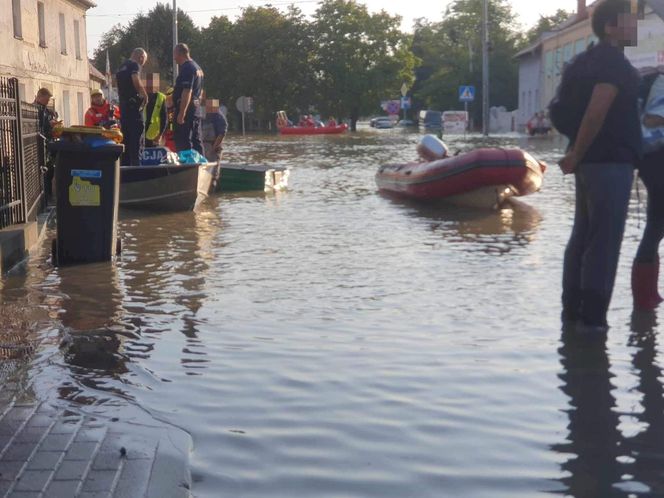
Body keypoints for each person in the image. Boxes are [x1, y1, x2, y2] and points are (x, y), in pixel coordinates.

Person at [558, 0, 641, 333]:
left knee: (582, 237)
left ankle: (572, 314)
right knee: (604, 243)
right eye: (630, 21)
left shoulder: (583, 60)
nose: (636, 27)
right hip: (608, 163)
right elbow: (596, 112)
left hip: (590, 164)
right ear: (611, 27)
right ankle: (593, 323)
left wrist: (577, 155)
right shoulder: (613, 64)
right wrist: (577, 153)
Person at [632, 68, 664, 309]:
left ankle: (649, 296)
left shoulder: (652, 80)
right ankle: (645, 297)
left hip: (649, 158)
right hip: (657, 156)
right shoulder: (660, 82)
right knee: (657, 224)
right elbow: (652, 119)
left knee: (656, 222)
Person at [116, 48, 148, 165]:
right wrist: (144, 95)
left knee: (126, 140)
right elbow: (135, 79)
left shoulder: (121, 67)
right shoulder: (135, 65)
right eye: (144, 60)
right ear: (141, 57)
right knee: (136, 140)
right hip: (134, 107)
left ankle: (124, 169)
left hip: (124, 108)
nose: (143, 63)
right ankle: (136, 168)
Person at [173, 43, 205, 155]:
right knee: (196, 139)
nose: (174, 58)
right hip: (195, 109)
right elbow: (200, 91)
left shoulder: (187, 68)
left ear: (180, 53)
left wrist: (182, 113)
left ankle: (187, 166)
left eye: (175, 54)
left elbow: (187, 91)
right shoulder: (197, 67)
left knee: (184, 140)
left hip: (188, 110)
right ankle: (201, 165)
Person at [34, 88, 59, 201]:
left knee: (50, 170)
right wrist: (49, 124)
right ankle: (43, 197)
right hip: (38, 145)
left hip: (49, 143)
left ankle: (48, 195)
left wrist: (55, 124)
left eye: (49, 99)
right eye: (47, 99)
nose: (48, 101)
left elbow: (49, 123)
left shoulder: (47, 110)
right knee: (42, 171)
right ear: (40, 97)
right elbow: (37, 127)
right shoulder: (34, 109)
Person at [143, 74, 168, 148]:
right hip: (141, 134)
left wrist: (160, 135)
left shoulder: (161, 97)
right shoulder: (141, 95)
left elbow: (164, 118)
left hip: (153, 136)